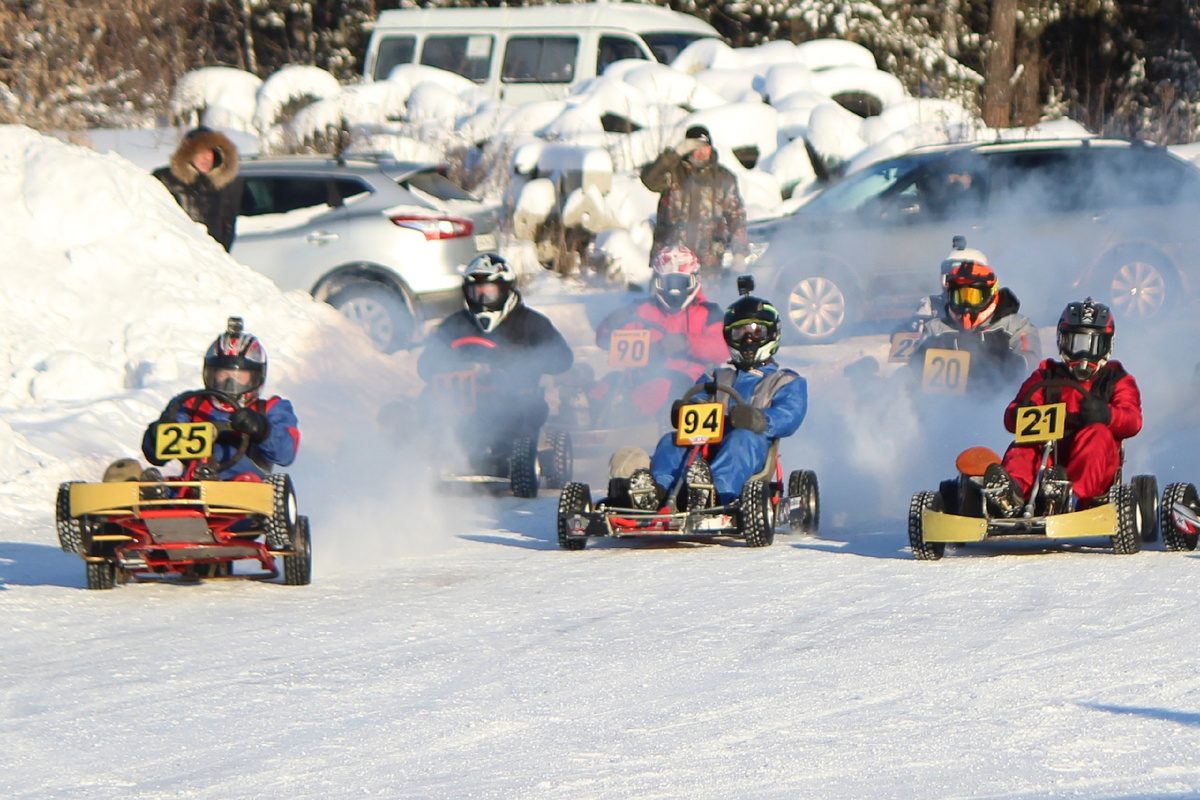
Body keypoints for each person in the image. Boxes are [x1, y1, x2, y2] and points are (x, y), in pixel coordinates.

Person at [627, 285, 808, 511]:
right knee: (672, 440)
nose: (748, 340)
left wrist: (758, 419)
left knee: (741, 438)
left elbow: (789, 415)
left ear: (771, 334)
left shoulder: (786, 381)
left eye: (756, 332)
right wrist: (686, 411)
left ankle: (715, 493)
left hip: (751, 451)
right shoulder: (716, 376)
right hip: (705, 448)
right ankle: (658, 491)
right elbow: (699, 398)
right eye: (740, 334)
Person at [982, 299, 1142, 517]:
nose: (1083, 354)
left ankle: (1070, 498)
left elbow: (1133, 420)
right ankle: (1011, 494)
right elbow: (1012, 417)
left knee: (1098, 433)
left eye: (1091, 345)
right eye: (1075, 343)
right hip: (1049, 460)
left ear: (1106, 345)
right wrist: (1022, 412)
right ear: (1062, 341)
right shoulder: (1045, 375)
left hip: (1095, 466)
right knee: (1026, 444)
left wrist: (1107, 415)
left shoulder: (1116, 379)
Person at [417, 253, 574, 472]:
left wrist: (521, 357)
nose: (481, 300)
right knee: (427, 399)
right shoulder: (456, 323)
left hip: (516, 402)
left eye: (488, 293)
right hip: (462, 404)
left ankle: (517, 459)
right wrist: (447, 362)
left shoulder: (531, 322)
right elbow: (426, 365)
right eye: (476, 293)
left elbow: (563, 360)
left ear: (505, 290)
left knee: (526, 409)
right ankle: (429, 456)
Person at [141, 317, 300, 481]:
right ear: (210, 374)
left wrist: (262, 430)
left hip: (246, 490)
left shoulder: (270, 409)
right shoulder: (191, 404)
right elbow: (156, 457)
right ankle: (152, 498)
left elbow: (286, 454)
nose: (230, 383)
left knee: (248, 480)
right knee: (130, 473)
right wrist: (158, 434)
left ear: (256, 377)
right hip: (193, 483)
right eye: (223, 375)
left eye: (239, 377)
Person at [589, 245, 728, 421]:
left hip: (693, 382)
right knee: (602, 388)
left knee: (660, 387)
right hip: (638, 377)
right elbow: (603, 342)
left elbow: (723, 348)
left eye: (681, 283)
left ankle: (651, 430)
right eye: (669, 283)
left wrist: (687, 343)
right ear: (658, 282)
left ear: (694, 280)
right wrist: (611, 323)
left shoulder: (709, 313)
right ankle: (593, 433)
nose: (675, 290)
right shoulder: (640, 309)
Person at [907, 250, 1041, 392]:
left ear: (991, 294)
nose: (966, 306)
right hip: (945, 406)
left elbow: (1031, 365)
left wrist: (1004, 363)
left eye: (974, 297)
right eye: (960, 297)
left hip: (1001, 403)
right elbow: (913, 373)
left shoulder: (1017, 326)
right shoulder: (936, 328)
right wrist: (922, 357)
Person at [640, 125, 749, 279]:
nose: (702, 151)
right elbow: (649, 180)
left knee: (706, 302)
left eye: (706, 146)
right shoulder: (673, 172)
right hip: (671, 259)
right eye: (696, 147)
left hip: (707, 262)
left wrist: (740, 253)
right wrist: (674, 154)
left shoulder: (723, 177)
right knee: (665, 301)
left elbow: (736, 216)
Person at [153, 126, 240, 252]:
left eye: (210, 152)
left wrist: (220, 255)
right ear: (188, 154)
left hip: (208, 259)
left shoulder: (221, 186)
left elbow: (227, 225)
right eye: (200, 152)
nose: (206, 158)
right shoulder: (166, 179)